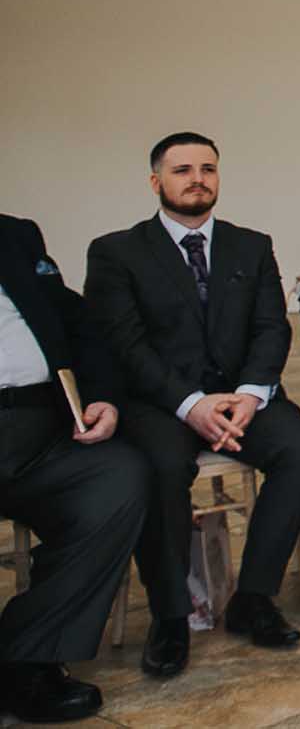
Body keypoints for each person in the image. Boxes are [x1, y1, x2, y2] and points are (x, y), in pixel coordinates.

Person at [84, 132, 300, 680]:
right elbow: (125, 344)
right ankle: (170, 615)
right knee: (162, 468)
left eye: (208, 168)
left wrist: (249, 394)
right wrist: (190, 404)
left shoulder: (251, 244)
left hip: (242, 397)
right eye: (183, 169)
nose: (198, 178)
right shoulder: (116, 251)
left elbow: (269, 327)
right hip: (160, 404)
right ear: (155, 182)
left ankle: (254, 598)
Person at [0, 213, 148, 724]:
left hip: (39, 427)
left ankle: (27, 657)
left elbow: (77, 323)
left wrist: (103, 397)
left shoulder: (15, 234)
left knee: (118, 477)